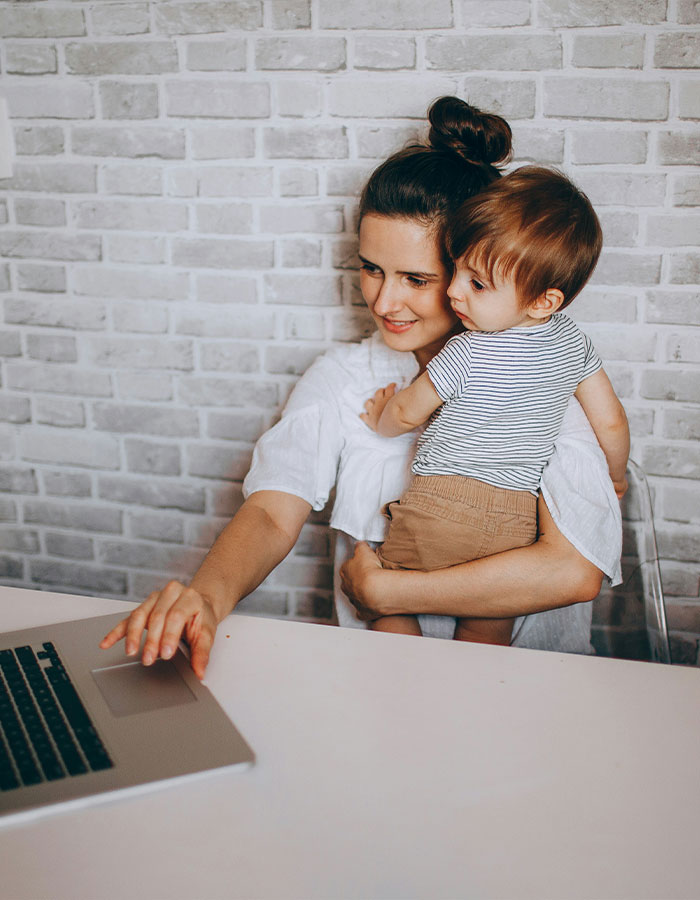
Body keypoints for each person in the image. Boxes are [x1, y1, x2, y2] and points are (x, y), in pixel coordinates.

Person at [100, 96, 622, 679]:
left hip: (535, 697)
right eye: (371, 267)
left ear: (477, 271)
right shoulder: (345, 377)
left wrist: (389, 595)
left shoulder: (539, 385)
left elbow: (573, 572)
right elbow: (274, 511)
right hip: (381, 695)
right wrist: (209, 595)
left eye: (416, 278)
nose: (382, 300)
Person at [360, 166, 629, 645]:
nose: (454, 290)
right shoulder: (574, 345)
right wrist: (615, 474)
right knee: (489, 624)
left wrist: (379, 418)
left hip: (438, 507)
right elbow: (609, 420)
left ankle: (398, 672)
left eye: (477, 284)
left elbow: (406, 413)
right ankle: (473, 704)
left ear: (545, 301)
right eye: (457, 270)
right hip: (515, 521)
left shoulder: (465, 351)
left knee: (384, 597)